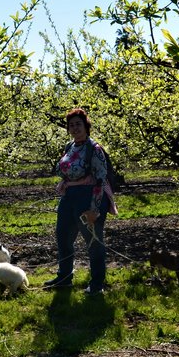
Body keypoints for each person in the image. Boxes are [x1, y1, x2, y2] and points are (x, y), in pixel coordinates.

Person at [44, 108, 115, 295]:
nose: (75, 127)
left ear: (86, 126)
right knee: (63, 237)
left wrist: (95, 208)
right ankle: (64, 277)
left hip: (88, 196)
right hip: (69, 197)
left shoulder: (95, 149)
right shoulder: (70, 147)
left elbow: (101, 178)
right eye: (71, 125)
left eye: (78, 124)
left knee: (93, 241)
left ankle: (97, 283)